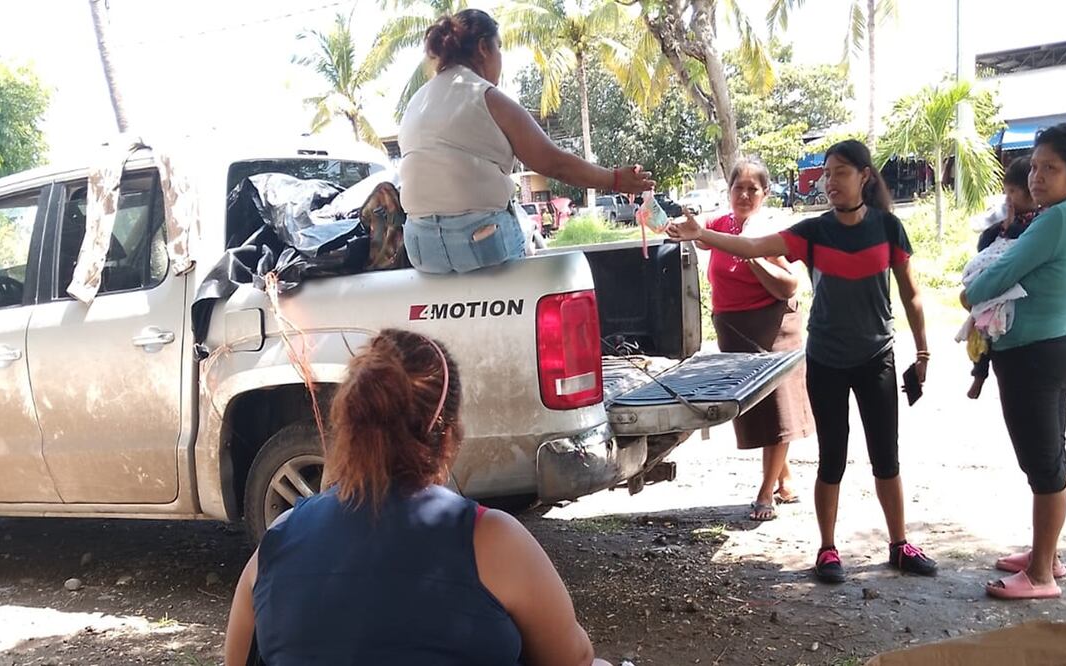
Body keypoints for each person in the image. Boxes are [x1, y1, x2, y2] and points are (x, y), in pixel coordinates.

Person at [223, 329, 612, 665]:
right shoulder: (491, 541)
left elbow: (236, 658)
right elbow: (574, 659)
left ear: (346, 428)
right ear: (448, 434)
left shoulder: (277, 542)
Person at [667, 140, 937, 584]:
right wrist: (701, 234)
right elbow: (752, 245)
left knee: (886, 457)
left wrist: (923, 352)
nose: (830, 181)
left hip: (877, 359)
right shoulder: (812, 232)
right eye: (827, 173)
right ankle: (828, 550)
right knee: (832, 459)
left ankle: (899, 544)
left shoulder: (889, 228)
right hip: (827, 360)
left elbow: (911, 294)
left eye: (841, 172)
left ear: (864, 177)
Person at [398, 9, 653, 274]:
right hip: (478, 243)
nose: (501, 57)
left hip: (420, 247)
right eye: (499, 47)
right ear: (484, 48)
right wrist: (614, 179)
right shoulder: (486, 96)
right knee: (526, 229)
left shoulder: (416, 102)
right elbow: (555, 164)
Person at [960, 124, 1066, 600]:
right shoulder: (1065, 213)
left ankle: (1041, 577)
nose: (1037, 176)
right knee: (1050, 453)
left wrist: (970, 292)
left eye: (1051, 168)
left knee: (1043, 462)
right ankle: (1045, 557)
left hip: (1034, 352)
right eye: (1034, 166)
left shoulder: (1056, 220)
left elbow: (1004, 270)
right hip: (1057, 344)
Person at [697, 158, 814, 521]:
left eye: (753, 189)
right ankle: (784, 475)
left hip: (773, 325)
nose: (744, 195)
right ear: (728, 191)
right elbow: (697, 237)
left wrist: (750, 255)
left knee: (778, 408)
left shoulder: (768, 229)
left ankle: (766, 493)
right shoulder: (723, 223)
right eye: (738, 188)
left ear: (765, 194)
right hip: (733, 328)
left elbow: (789, 284)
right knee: (757, 409)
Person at [966, 157, 1039, 399]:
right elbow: (983, 246)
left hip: (1015, 285)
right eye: (1005, 192)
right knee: (980, 320)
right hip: (994, 274)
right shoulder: (1005, 216)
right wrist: (1000, 228)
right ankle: (979, 372)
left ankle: (980, 373)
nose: (1007, 198)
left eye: (1013, 192)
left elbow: (1027, 245)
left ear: (1030, 194)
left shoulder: (1039, 220)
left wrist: (1012, 229)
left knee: (989, 320)